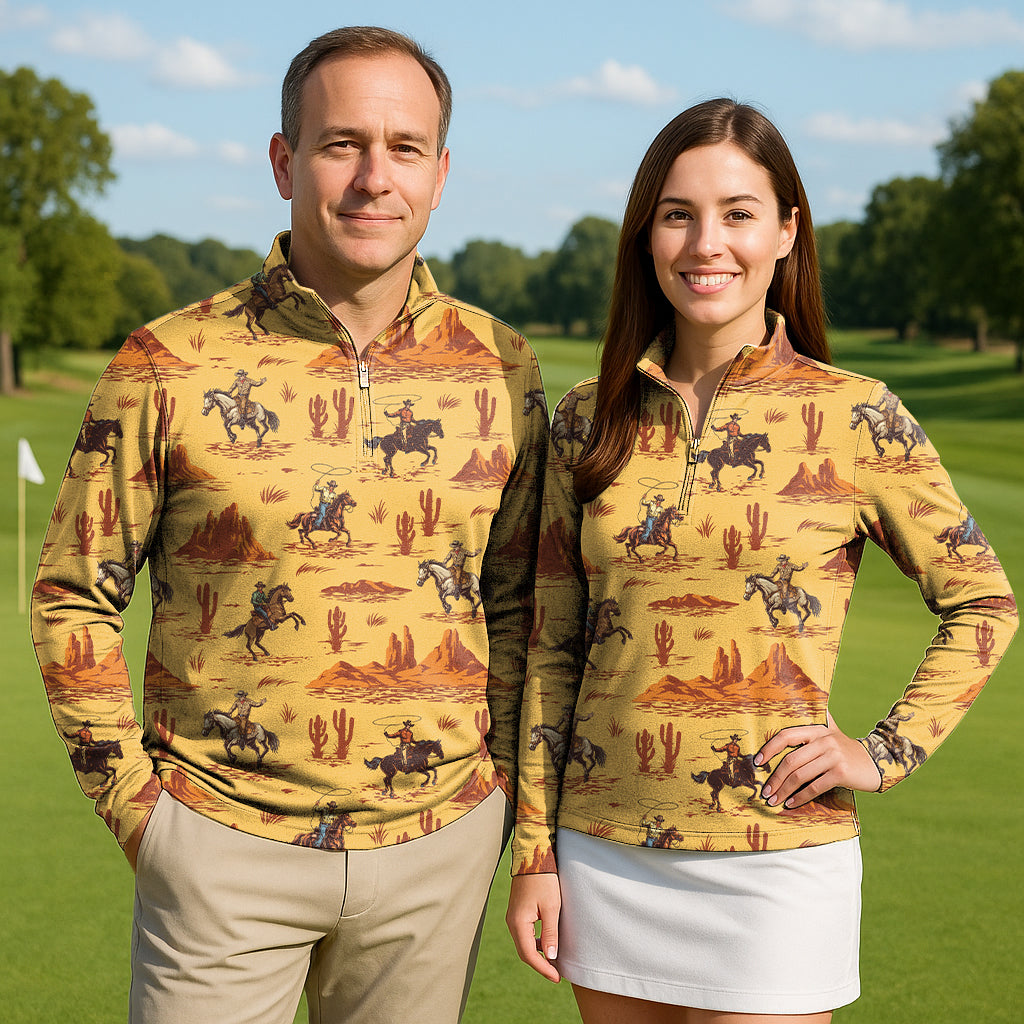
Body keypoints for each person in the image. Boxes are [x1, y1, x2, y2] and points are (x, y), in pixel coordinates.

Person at [32, 26, 547, 1024]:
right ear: (284, 161)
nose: (371, 178)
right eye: (340, 143)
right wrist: (141, 814)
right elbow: (72, 594)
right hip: (218, 848)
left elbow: (526, 605)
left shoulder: (504, 365)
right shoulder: (166, 362)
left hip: (434, 853)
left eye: (403, 149)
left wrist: (500, 806)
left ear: (440, 175)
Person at [506, 98, 1017, 1023]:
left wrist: (882, 752)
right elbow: (552, 648)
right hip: (604, 847)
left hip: (777, 857)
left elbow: (984, 602)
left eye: (739, 214)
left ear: (786, 232)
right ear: (646, 235)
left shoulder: (855, 414)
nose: (708, 243)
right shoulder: (585, 418)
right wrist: (536, 850)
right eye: (678, 214)